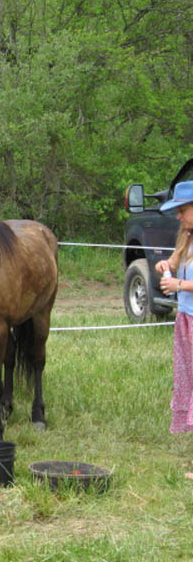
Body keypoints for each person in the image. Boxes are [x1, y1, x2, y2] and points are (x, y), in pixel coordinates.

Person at [155, 180, 193, 478]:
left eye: (182, 210)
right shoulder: (187, 238)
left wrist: (178, 284)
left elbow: (184, 281)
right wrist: (166, 266)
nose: (178, 216)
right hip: (186, 319)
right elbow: (176, 260)